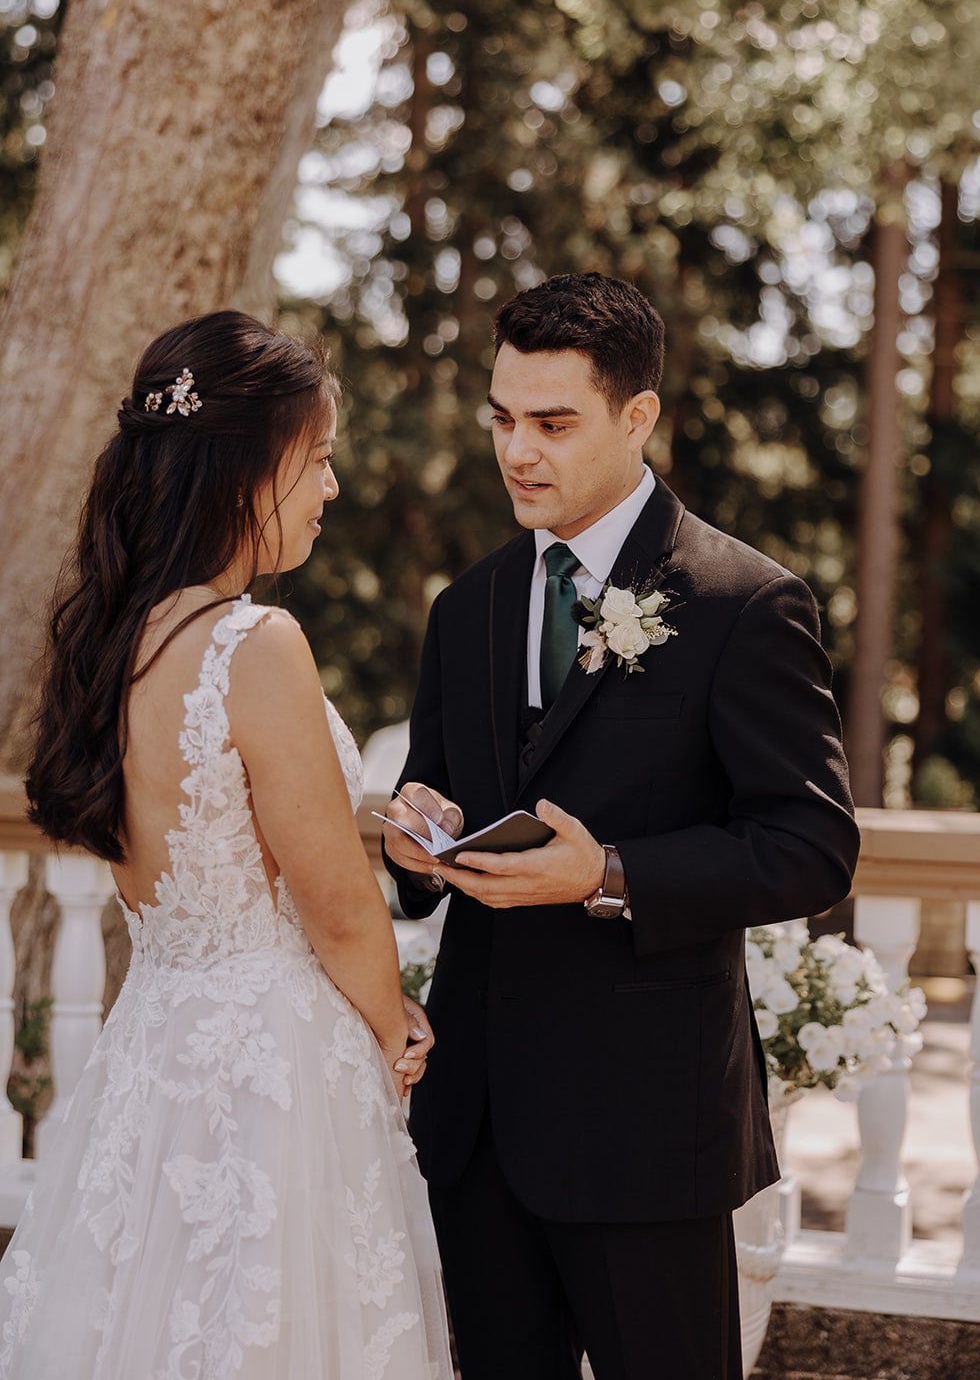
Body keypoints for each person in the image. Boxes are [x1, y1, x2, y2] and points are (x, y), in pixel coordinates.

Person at [383, 271, 861, 1380]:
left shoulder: (744, 603)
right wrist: (415, 838)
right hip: (479, 1123)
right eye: (502, 418)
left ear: (635, 415)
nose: (518, 451)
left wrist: (605, 873)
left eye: (553, 422)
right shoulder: (471, 605)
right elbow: (433, 796)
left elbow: (811, 846)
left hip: (647, 1129)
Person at [3, 310, 450, 1380]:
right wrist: (399, 1028)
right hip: (271, 1065)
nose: (331, 487)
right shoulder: (256, 643)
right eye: (319, 458)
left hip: (155, 1044)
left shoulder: (117, 639)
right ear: (248, 466)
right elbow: (338, 909)